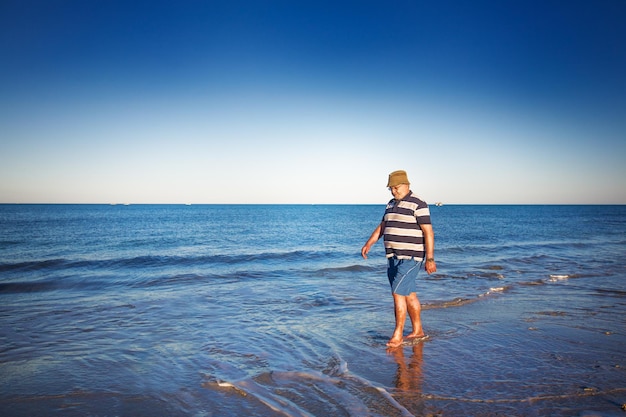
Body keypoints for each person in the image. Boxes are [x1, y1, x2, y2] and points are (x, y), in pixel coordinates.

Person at [361, 170, 436, 348]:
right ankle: (418, 330)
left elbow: (428, 232)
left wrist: (430, 258)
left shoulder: (418, 203)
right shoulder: (390, 204)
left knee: (397, 294)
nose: (394, 191)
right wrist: (369, 243)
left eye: (396, 187)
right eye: (391, 189)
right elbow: (383, 226)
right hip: (393, 257)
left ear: (407, 185)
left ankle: (398, 335)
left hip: (411, 257)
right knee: (409, 295)